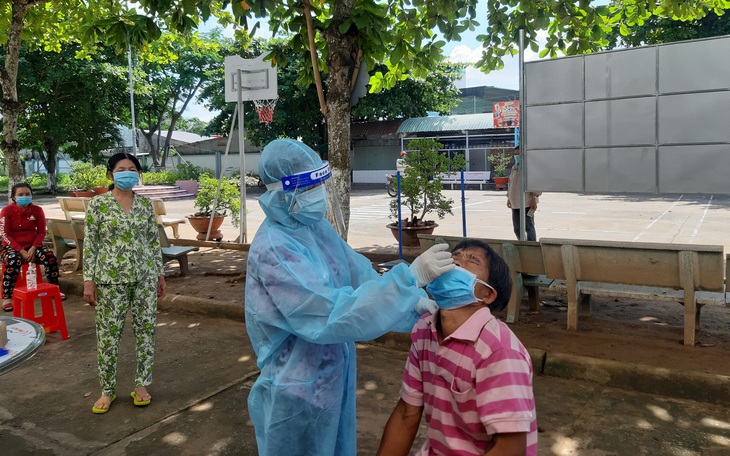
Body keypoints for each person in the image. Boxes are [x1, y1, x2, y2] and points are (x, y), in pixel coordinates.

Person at [245, 138, 455, 456]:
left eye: (320, 184)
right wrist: (409, 279)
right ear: (282, 192)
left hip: (331, 373)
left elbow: (359, 274)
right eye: (307, 188)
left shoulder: (316, 229)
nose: (318, 196)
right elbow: (329, 312)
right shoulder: (274, 248)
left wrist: (411, 299)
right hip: (296, 385)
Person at [377, 239, 537, 456]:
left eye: (472, 260)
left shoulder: (499, 352)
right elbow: (407, 413)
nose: (457, 262)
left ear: (487, 294)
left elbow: (510, 448)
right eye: (455, 256)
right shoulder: (425, 330)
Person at [83, 153, 166, 414]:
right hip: (109, 280)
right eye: (121, 169)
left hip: (144, 278)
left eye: (132, 169)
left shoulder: (145, 205)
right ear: (110, 174)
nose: (127, 173)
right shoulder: (97, 205)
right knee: (108, 337)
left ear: (138, 174)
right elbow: (91, 245)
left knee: (146, 332)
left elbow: (153, 242)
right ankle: (107, 390)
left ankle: (141, 385)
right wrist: (88, 280)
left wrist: (160, 274)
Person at [0, 183, 63, 311]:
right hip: (10, 247)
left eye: (27, 194)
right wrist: (21, 250)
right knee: (13, 260)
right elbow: (5, 234)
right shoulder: (6, 211)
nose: (25, 197)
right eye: (20, 195)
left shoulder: (37, 210)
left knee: (50, 257)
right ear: (13, 197)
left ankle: (54, 288)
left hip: (33, 245)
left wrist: (34, 247)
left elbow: (41, 232)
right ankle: (7, 297)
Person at [507, 145, 541, 241]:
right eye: (515, 154)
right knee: (517, 228)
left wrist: (534, 199)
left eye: (519, 154)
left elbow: (535, 184)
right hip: (515, 203)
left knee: (528, 227)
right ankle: (522, 244)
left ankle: (532, 246)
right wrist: (508, 198)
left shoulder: (530, 168)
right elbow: (510, 184)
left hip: (527, 202)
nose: (517, 156)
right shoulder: (514, 167)